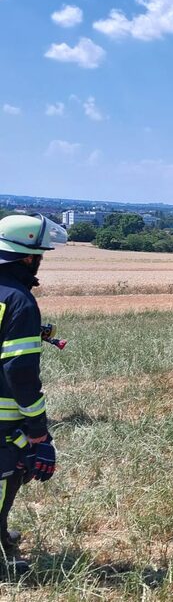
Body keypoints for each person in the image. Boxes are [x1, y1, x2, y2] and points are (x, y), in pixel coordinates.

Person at [0, 214, 65, 573]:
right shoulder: (20, 301)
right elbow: (20, 373)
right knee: (5, 476)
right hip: (3, 417)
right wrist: (38, 431)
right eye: (39, 255)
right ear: (27, 257)